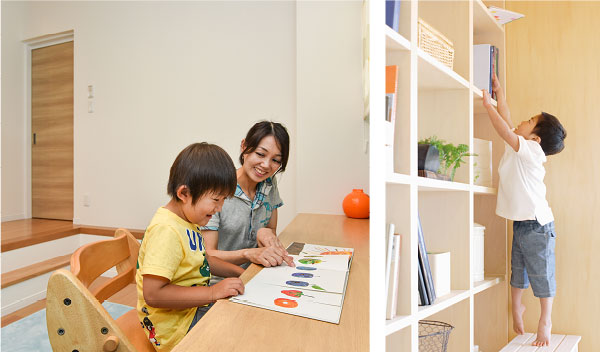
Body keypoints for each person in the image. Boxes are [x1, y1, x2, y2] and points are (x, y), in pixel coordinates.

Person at [483, 73, 566, 347]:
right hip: (522, 223)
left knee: (541, 272)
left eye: (529, 121)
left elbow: (504, 129)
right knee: (517, 270)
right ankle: (517, 308)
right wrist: (499, 95)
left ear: (536, 139)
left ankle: (546, 319)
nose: (522, 121)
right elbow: (508, 122)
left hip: (539, 225)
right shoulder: (519, 146)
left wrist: (488, 107)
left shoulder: (531, 151)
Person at [136, 142, 245, 350]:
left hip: (189, 310)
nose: (219, 208)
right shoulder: (167, 230)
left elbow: (203, 260)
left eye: (223, 200)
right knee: (239, 329)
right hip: (175, 326)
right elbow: (153, 294)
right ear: (184, 193)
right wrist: (213, 292)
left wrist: (241, 273)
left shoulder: (188, 221)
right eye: (215, 199)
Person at [201, 121, 294, 280]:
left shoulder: (269, 183)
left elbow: (270, 229)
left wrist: (264, 232)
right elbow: (208, 255)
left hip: (256, 276)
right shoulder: (217, 189)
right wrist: (248, 255)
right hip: (219, 284)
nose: (266, 165)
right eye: (260, 154)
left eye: (276, 160)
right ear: (244, 147)